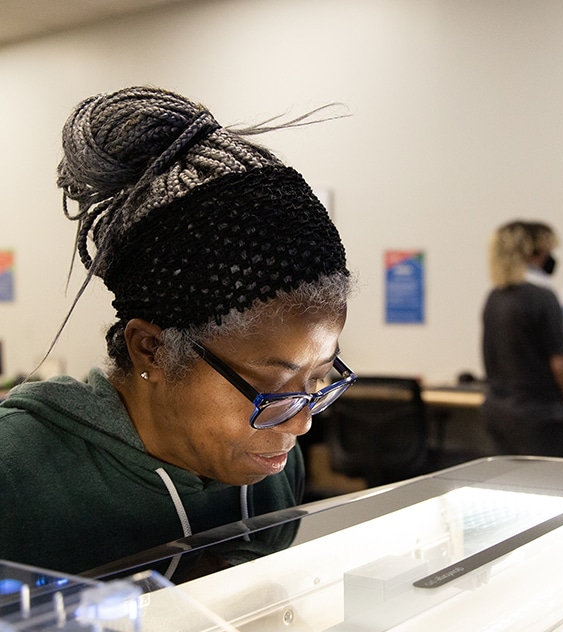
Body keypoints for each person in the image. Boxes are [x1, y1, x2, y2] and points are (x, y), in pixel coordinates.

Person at [0, 86, 355, 580]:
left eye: (319, 379)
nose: (301, 424)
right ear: (154, 350)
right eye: (273, 385)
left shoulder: (271, 472)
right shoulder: (16, 474)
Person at [481, 220, 563, 457]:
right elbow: (561, 365)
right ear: (537, 252)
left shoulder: (495, 297)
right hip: (540, 417)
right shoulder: (543, 298)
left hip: (498, 412)